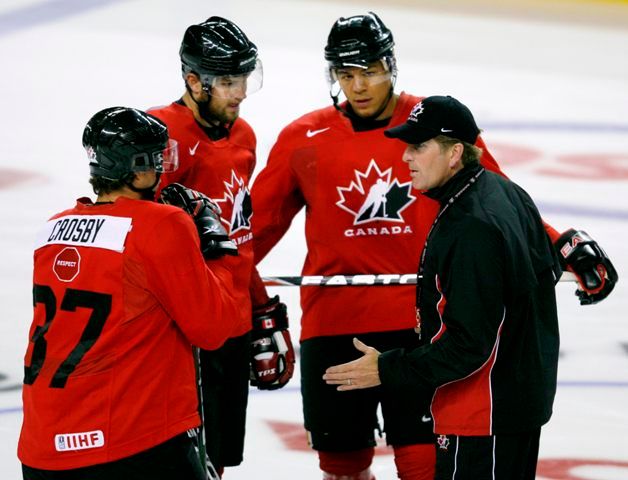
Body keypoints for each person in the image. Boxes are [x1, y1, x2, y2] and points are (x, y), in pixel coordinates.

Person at [249, 12, 618, 480]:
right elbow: (255, 233)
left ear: (391, 65)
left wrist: (558, 242)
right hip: (334, 323)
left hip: (422, 328)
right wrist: (222, 292)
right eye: (346, 75)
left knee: (424, 466)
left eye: (369, 71)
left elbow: (495, 200)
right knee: (341, 468)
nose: (358, 86)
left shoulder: (434, 125)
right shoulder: (302, 138)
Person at [323, 94, 566, 479]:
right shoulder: (503, 193)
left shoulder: (471, 226)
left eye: (418, 146)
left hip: (480, 414)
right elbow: (544, 275)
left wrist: (387, 368)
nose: (405, 157)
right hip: (513, 407)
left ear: (455, 154)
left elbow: (468, 344)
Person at [18, 107, 239, 480]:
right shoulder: (162, 224)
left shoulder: (52, 230)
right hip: (131, 444)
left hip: (43, 447)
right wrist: (216, 248)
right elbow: (213, 327)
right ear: (136, 168)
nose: (161, 169)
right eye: (156, 159)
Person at [149, 16, 295, 477]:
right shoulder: (158, 137)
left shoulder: (244, 137)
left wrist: (258, 308)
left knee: (218, 461)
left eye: (244, 79)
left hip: (228, 322)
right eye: (228, 81)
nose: (240, 92)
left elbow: (239, 238)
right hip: (182, 331)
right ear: (194, 80)